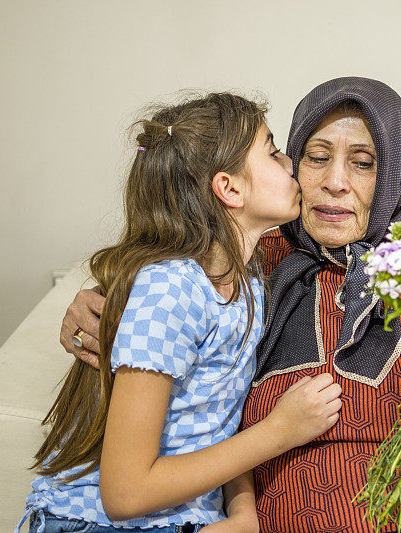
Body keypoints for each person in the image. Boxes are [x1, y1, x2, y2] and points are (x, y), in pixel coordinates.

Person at [61, 78, 401, 532]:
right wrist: (93, 307)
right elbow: (154, 288)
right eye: (316, 156)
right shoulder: (240, 259)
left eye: (364, 163)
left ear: (393, 173)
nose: (335, 182)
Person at [20, 92, 343, 533]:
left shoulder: (249, 279)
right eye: (272, 151)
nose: (291, 164)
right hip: (91, 523)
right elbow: (125, 494)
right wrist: (280, 432)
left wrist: (243, 513)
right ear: (229, 187)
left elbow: (220, 414)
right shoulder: (171, 288)